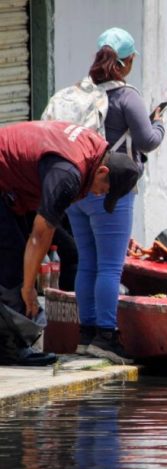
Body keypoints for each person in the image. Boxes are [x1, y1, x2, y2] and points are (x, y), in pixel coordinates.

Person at [0, 121, 140, 364]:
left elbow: (48, 226)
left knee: (21, 258)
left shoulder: (94, 148)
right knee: (11, 266)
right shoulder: (69, 173)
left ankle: (11, 342)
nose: (99, 195)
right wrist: (28, 289)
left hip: (10, 187)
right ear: (103, 172)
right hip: (5, 184)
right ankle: (10, 349)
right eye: (104, 190)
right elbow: (40, 235)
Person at [65, 28, 165, 363]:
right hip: (112, 190)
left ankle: (86, 336)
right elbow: (148, 140)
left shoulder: (81, 92)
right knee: (110, 266)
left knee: (87, 263)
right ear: (129, 60)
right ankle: (107, 338)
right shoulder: (127, 96)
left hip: (78, 191)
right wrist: (159, 123)